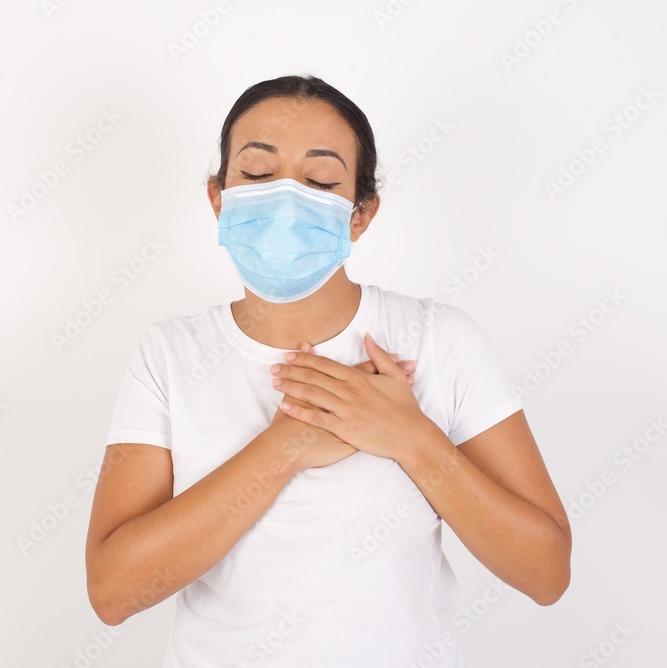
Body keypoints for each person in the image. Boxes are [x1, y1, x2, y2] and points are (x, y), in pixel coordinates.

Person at [85, 74, 571, 667]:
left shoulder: (438, 341)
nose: (285, 200)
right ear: (218, 198)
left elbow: (546, 573)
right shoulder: (169, 354)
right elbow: (112, 592)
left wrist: (409, 437)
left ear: (360, 214)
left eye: (319, 181)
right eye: (258, 175)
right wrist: (287, 446)